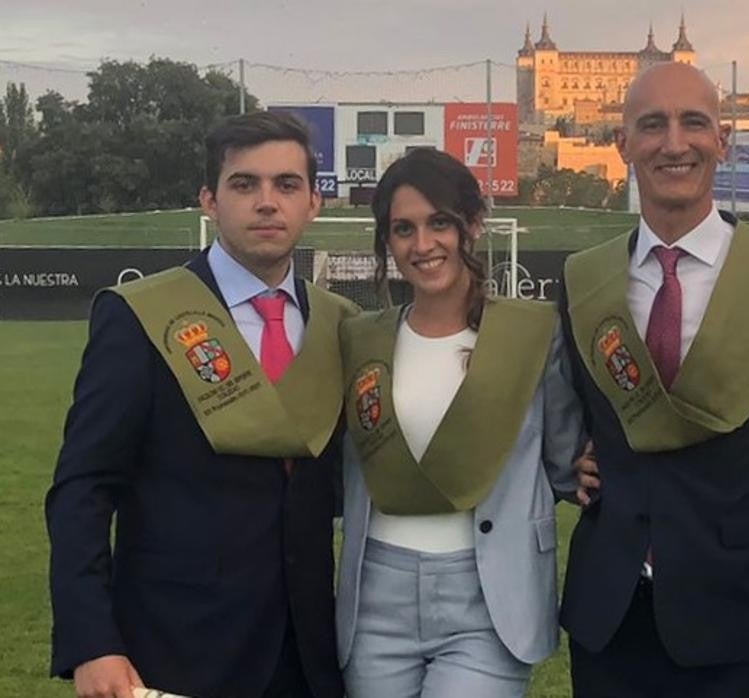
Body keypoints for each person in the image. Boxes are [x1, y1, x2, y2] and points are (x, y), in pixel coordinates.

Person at [46, 111, 354, 698]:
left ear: (314, 202)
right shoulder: (141, 316)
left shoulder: (340, 324)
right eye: (245, 184)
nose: (268, 203)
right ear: (209, 200)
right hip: (176, 651)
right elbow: (83, 487)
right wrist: (92, 641)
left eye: (286, 185)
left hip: (310, 656)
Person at [558, 62, 749, 697]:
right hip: (610, 617)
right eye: (651, 125)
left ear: (723, 139)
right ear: (623, 144)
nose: (674, 143)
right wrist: (568, 464)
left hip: (741, 618)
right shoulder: (583, 282)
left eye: (694, 123)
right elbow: (570, 422)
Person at [335, 148, 582, 698]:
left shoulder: (532, 336)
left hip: (490, 597)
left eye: (438, 223)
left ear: (472, 225)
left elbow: (567, 463)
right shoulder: (360, 340)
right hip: (377, 594)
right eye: (403, 229)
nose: (422, 245)